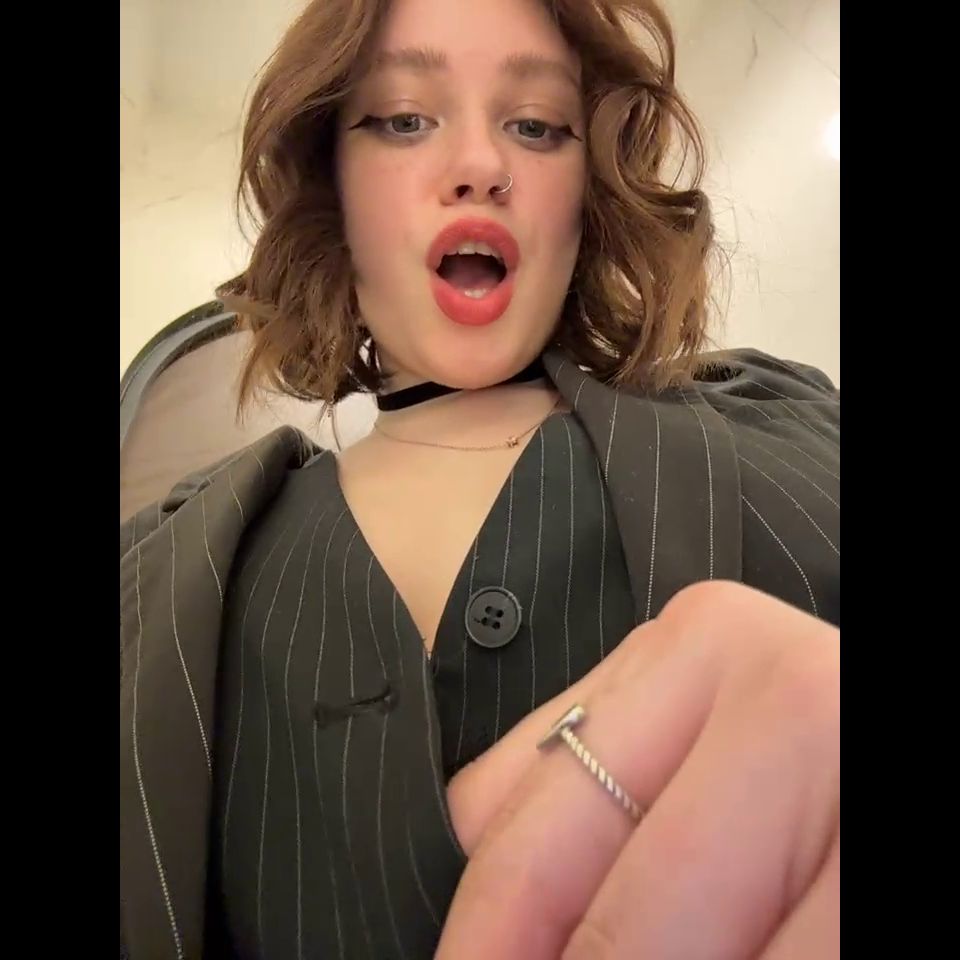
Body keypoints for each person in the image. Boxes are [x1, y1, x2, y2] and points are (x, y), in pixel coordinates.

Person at [119, 0, 840, 957]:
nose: (479, 164)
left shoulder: (795, 429)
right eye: (403, 118)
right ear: (334, 190)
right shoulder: (154, 574)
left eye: (536, 127)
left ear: (587, 196)